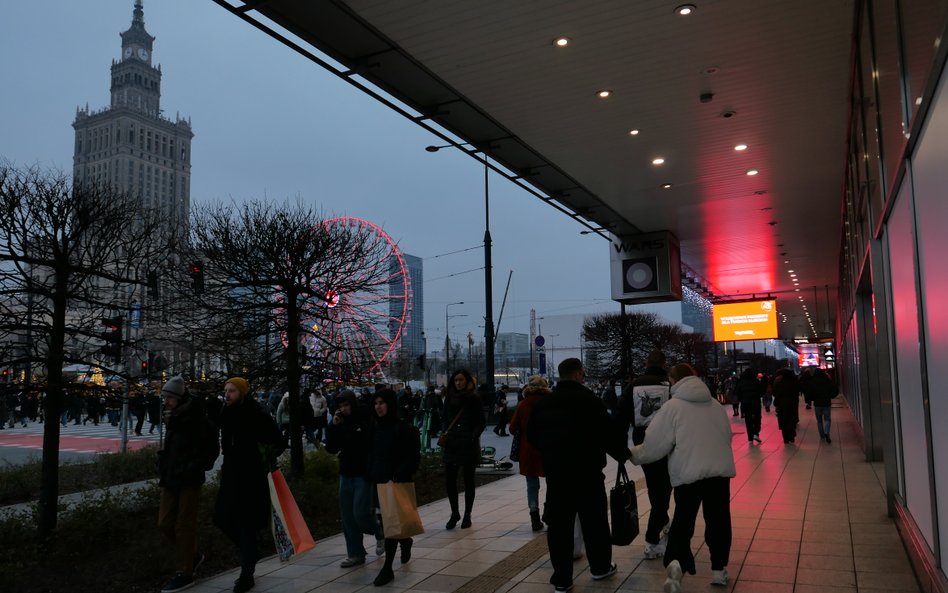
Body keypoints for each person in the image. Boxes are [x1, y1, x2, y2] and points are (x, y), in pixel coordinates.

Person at [630, 363, 736, 593]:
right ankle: (718, 569)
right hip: (719, 474)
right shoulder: (715, 405)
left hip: (689, 474)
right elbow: (727, 435)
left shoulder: (672, 407)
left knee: (683, 520)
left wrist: (635, 455)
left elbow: (655, 445)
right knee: (718, 520)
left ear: (673, 380)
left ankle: (676, 565)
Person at [527, 358, 629, 593]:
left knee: (559, 528)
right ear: (577, 374)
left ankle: (562, 580)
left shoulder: (544, 404)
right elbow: (608, 434)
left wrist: (550, 453)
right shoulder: (590, 401)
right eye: (582, 373)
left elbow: (532, 436)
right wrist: (623, 454)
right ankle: (600, 567)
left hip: (557, 476)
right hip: (588, 474)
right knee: (595, 523)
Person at [214, 377, 286, 593]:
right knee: (222, 518)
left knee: (246, 525)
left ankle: (247, 574)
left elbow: (278, 442)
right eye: (226, 390)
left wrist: (261, 458)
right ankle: (252, 553)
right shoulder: (226, 413)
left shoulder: (256, 414)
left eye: (232, 391)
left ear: (242, 392)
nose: (227, 394)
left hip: (251, 476)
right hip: (231, 473)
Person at [157, 376, 220, 593]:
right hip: (170, 478)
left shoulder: (197, 419)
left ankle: (185, 572)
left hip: (189, 479)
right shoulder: (172, 418)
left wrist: (194, 466)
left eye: (169, 398)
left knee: (184, 525)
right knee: (164, 523)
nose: (165, 401)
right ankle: (191, 555)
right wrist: (162, 463)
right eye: (164, 397)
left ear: (179, 398)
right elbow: (170, 448)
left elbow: (211, 449)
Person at [613, 349, 673, 559]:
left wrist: (620, 450)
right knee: (664, 489)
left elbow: (620, 418)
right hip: (669, 442)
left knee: (655, 485)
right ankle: (652, 538)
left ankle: (662, 520)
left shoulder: (633, 386)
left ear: (646, 364)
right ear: (664, 364)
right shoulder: (670, 386)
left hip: (643, 442)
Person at [366, 389, 421, 587]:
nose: (378, 407)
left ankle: (387, 567)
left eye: (382, 403)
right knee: (386, 523)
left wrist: (398, 475)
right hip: (378, 481)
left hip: (395, 482)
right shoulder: (374, 427)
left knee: (390, 525)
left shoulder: (402, 428)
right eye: (376, 403)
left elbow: (413, 456)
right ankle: (405, 541)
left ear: (390, 404)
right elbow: (370, 452)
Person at [325, 390, 379, 567]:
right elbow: (331, 447)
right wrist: (333, 426)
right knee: (348, 517)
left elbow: (365, 443)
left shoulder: (364, 418)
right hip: (345, 473)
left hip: (362, 473)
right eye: (340, 406)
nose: (343, 409)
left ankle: (380, 531)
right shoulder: (338, 423)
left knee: (360, 513)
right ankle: (355, 553)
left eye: (346, 405)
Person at [439, 369, 485, 529]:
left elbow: (481, 421)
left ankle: (467, 515)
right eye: (456, 380)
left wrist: (472, 436)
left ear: (467, 381)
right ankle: (455, 513)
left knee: (468, 481)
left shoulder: (473, 398)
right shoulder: (449, 397)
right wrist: (445, 430)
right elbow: (444, 417)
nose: (458, 383)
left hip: (467, 444)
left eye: (461, 380)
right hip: (452, 444)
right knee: (450, 481)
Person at [508, 375, 550, 532]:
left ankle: (534, 518)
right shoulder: (550, 403)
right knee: (552, 482)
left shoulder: (523, 404)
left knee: (532, 485)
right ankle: (549, 513)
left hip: (527, 449)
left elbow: (512, 428)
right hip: (547, 448)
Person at [804, 367, 839, 443]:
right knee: (827, 419)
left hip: (817, 404)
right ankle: (826, 432)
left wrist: (812, 399)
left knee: (819, 421)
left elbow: (809, 392)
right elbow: (834, 390)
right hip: (826, 403)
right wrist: (831, 396)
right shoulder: (827, 380)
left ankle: (822, 436)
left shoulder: (813, 381)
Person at [733, 368, 764, 443]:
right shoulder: (756, 381)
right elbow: (761, 391)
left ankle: (750, 438)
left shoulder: (741, 382)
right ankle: (756, 433)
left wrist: (742, 399)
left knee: (748, 420)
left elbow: (737, 392)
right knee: (757, 418)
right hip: (756, 403)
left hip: (746, 403)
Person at [772, 369, 801, 443]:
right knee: (792, 419)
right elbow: (798, 390)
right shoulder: (794, 381)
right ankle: (792, 435)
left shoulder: (779, 382)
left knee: (783, 420)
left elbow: (775, 392)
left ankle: (785, 438)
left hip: (782, 404)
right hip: (792, 403)